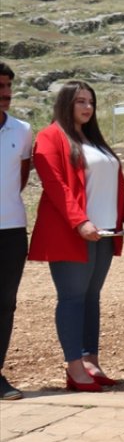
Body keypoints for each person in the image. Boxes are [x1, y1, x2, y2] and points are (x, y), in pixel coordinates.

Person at [29, 81, 124, 392]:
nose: (87, 107)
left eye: (90, 101)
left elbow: (114, 181)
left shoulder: (94, 139)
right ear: (66, 104)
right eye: (80, 101)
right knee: (73, 298)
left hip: (105, 230)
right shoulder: (50, 137)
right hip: (72, 233)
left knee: (92, 298)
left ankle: (91, 361)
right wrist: (80, 222)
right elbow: (55, 186)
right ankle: (74, 366)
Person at [0, 62, 32, 400]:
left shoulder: (22, 130)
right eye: (0, 86)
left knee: (5, 304)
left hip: (11, 229)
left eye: (8, 86)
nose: (6, 93)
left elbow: (20, 178)